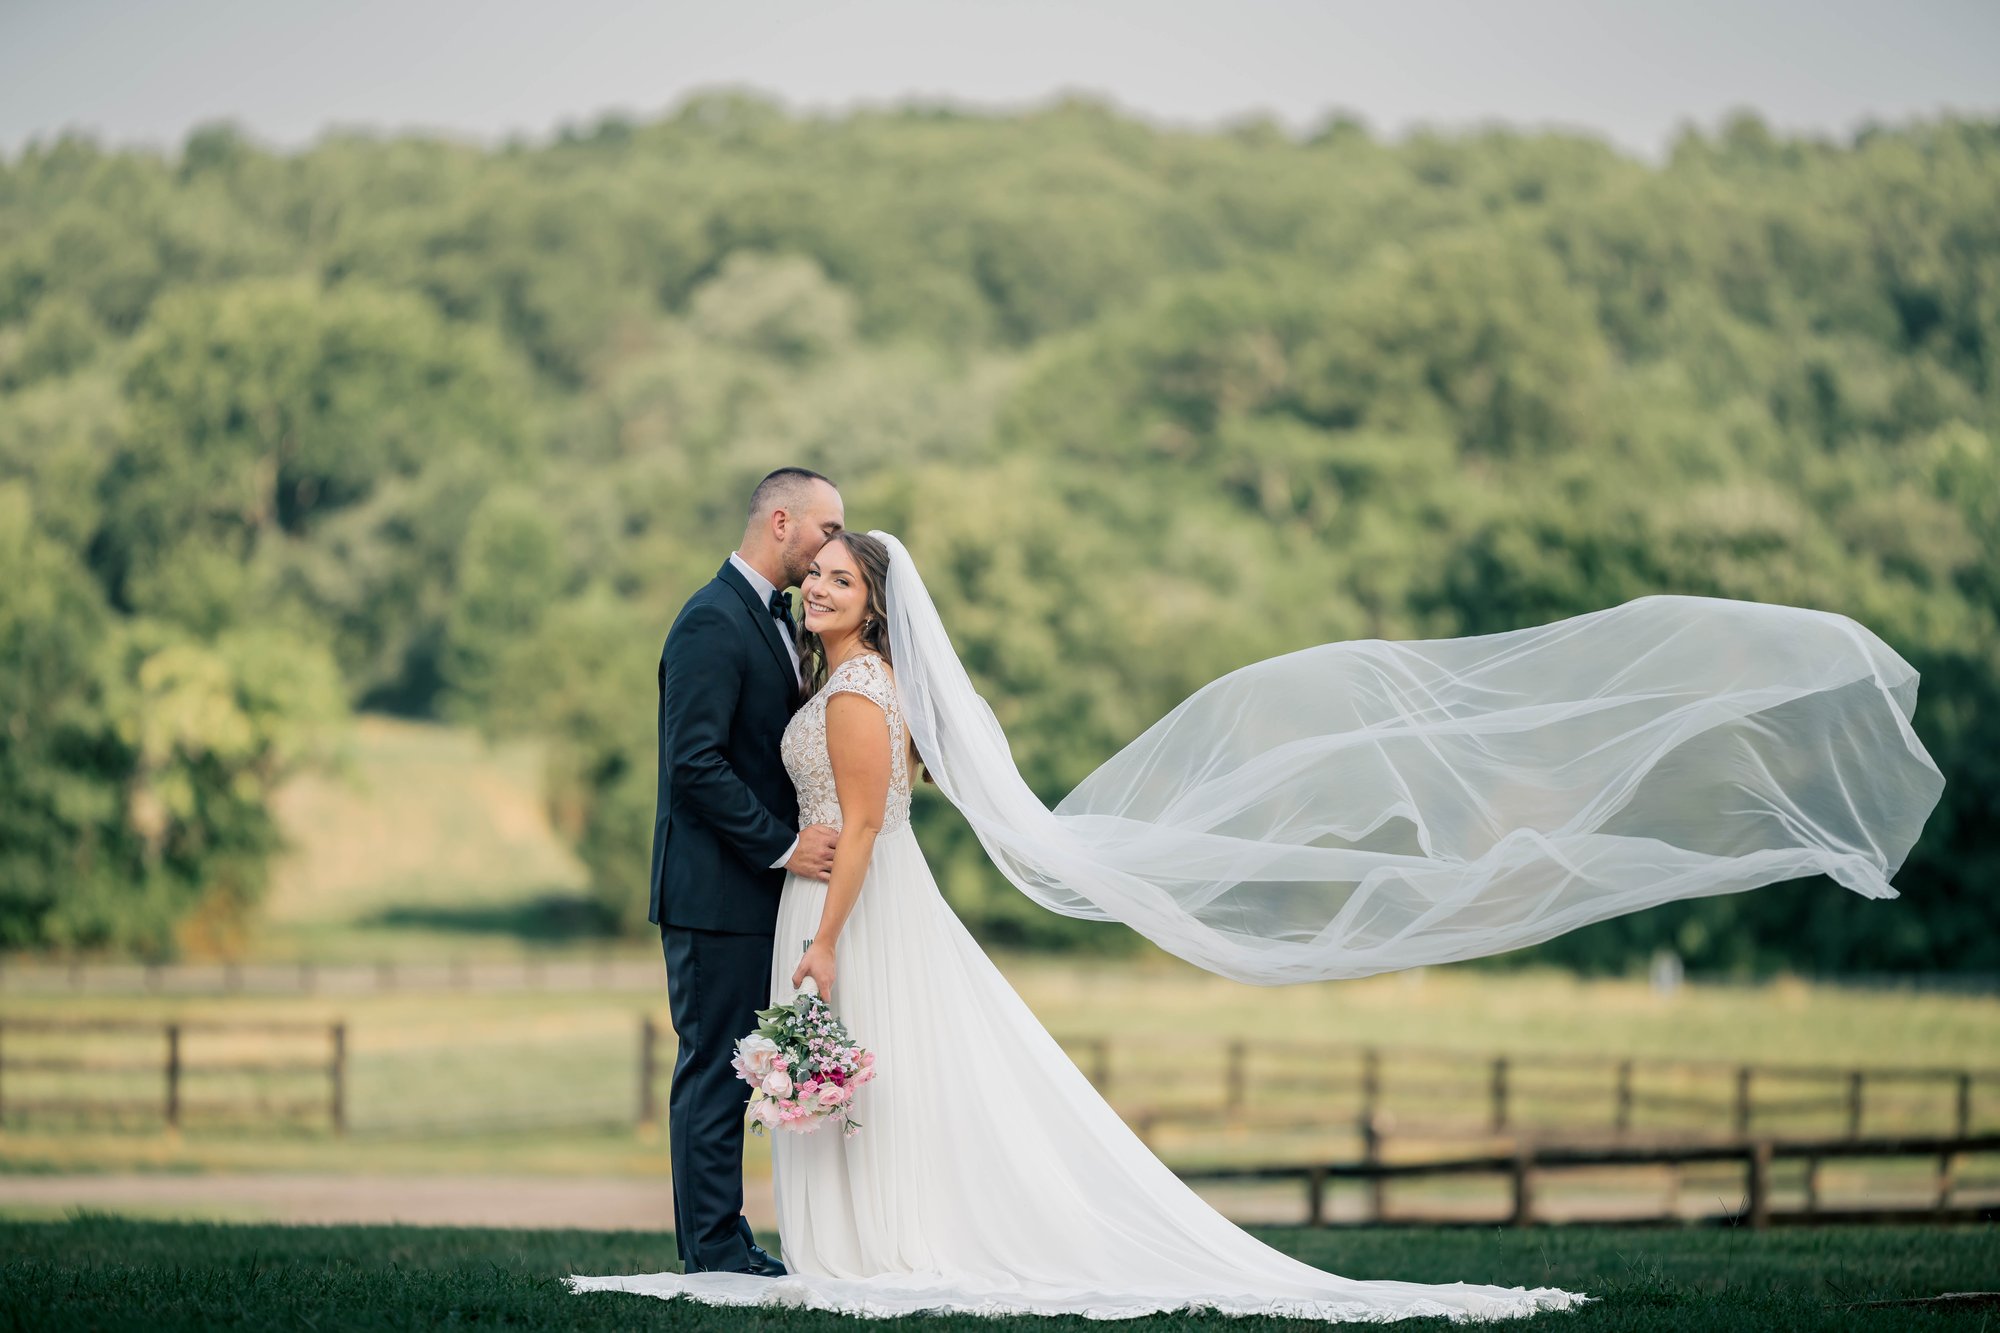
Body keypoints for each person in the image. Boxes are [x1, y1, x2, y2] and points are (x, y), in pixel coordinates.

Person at [580, 528, 1942, 1319]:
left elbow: (868, 827)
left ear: (871, 602)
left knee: (882, 1075)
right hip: (818, 906)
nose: (816, 589)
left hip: (846, 914)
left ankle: (878, 1243)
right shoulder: (833, 676)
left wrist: (820, 941)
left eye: (834, 578)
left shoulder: (864, 694)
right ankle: (840, 1240)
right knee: (867, 1080)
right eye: (810, 575)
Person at [647, 467, 844, 1276]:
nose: (834, 545)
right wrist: (783, 844)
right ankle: (712, 1250)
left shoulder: (773, 620)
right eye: (827, 529)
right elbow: (694, 764)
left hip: (753, 895)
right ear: (781, 522)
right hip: (714, 892)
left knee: (737, 1068)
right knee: (711, 1067)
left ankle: (725, 1238)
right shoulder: (709, 621)